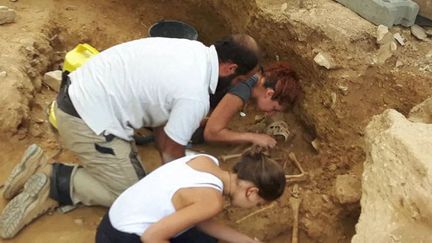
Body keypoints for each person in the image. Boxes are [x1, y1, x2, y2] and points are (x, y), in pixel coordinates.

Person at [0, 34, 260, 239]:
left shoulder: (192, 51)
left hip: (79, 95)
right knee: (132, 197)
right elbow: (171, 150)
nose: (237, 87)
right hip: (87, 121)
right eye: (240, 80)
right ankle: (56, 182)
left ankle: (31, 168)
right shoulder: (195, 95)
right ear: (230, 68)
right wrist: (186, 185)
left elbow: (165, 128)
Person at [95, 151, 286, 243]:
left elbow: (198, 220)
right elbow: (151, 237)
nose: (255, 207)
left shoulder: (207, 160)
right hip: (121, 238)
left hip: (112, 222)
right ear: (251, 192)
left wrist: (246, 241)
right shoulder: (212, 200)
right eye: (259, 203)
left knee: (205, 241)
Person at [203, 62, 301, 148]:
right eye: (274, 108)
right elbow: (211, 134)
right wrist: (253, 137)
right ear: (269, 94)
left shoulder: (254, 73)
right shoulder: (243, 89)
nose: (271, 113)